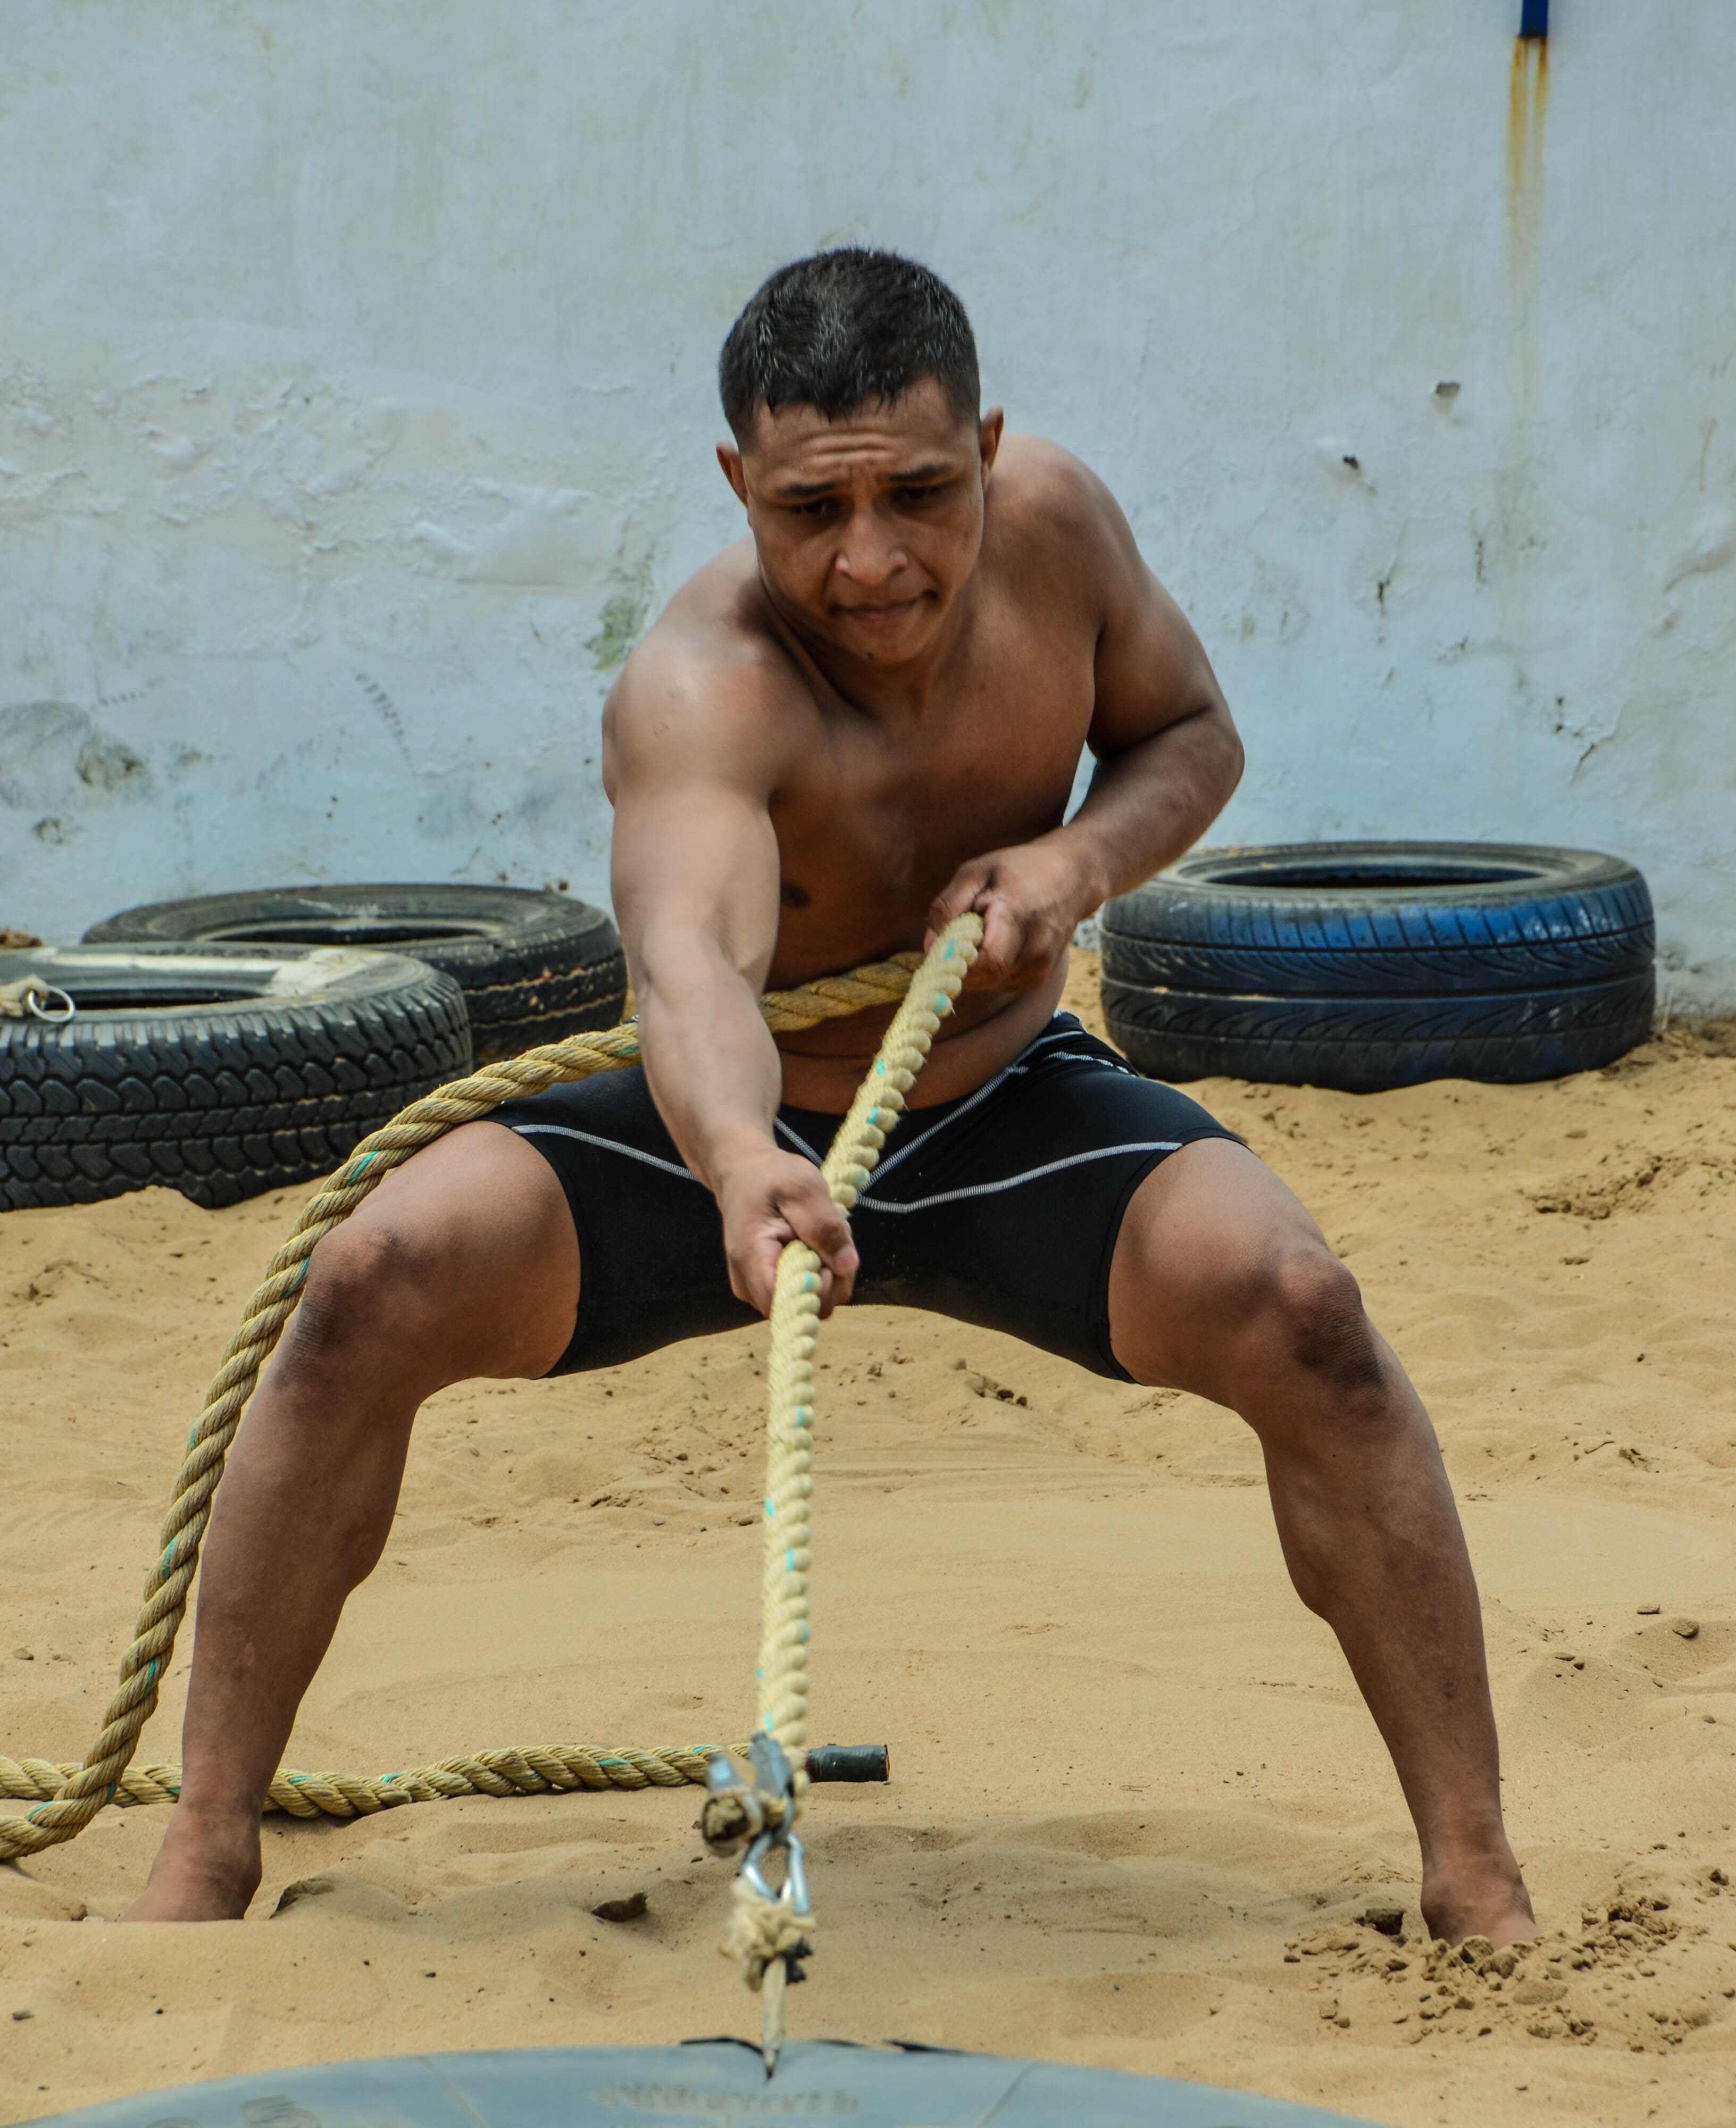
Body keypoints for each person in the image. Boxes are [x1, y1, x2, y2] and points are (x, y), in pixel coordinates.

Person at [128, 248, 1535, 1947]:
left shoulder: (1063, 532)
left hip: (1005, 1102)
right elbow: (694, 970)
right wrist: (737, 1157)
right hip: (731, 1122)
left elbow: (1191, 736)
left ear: (989, 451)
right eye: (812, 511)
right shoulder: (696, 687)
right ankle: (204, 1846)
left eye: (921, 495)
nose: (871, 560)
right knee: (370, 1281)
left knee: (1305, 1312)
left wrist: (1077, 862)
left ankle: (1477, 1875)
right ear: (740, 483)